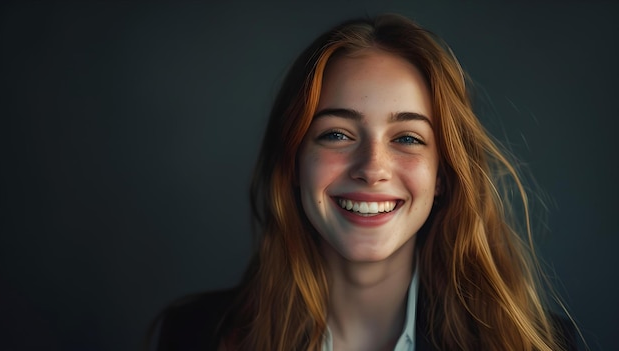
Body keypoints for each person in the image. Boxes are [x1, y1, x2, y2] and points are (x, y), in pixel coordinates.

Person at [152, 14, 578, 351]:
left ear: (444, 175)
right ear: (293, 164)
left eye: (408, 138)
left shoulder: (533, 345)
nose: (372, 168)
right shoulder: (195, 336)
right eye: (337, 134)